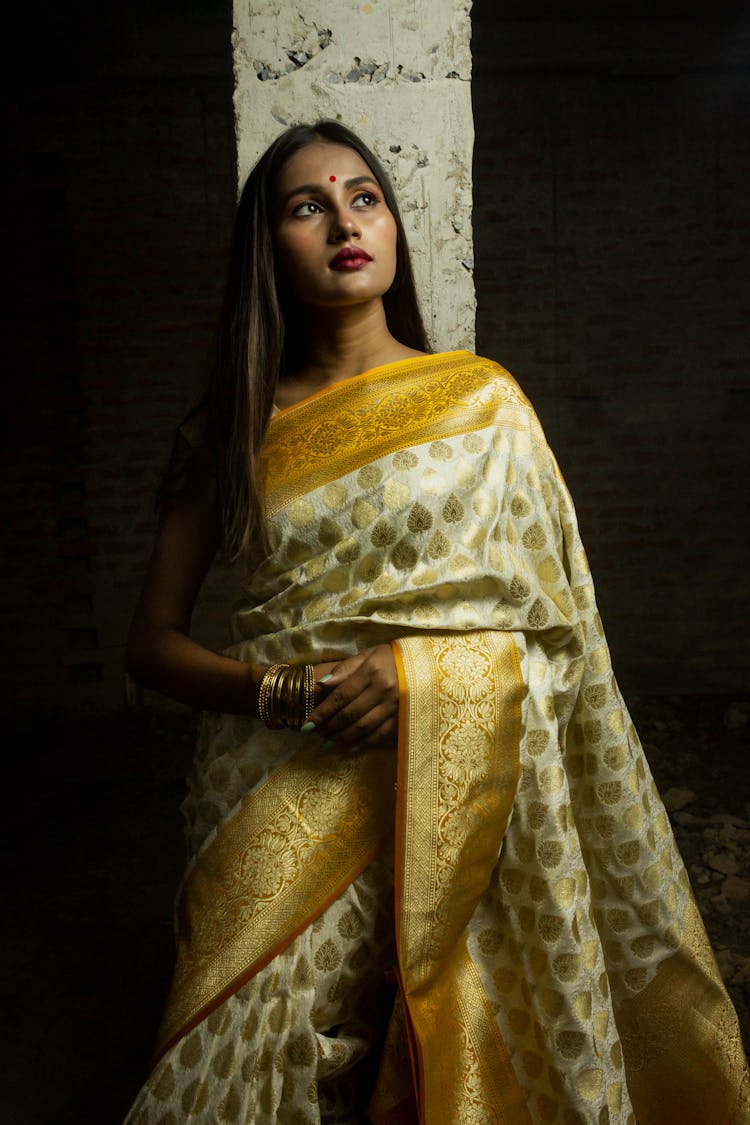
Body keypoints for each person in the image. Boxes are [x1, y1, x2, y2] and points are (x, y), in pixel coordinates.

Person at [123, 121, 749, 1125]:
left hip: (459, 774)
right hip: (275, 780)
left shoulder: (482, 402)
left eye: (363, 198)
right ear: (267, 245)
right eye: (306, 206)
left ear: (394, 226)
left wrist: (426, 676)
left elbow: (558, 638)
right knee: (240, 1051)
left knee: (443, 1043)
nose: (342, 223)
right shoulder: (226, 427)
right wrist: (285, 692)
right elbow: (150, 644)